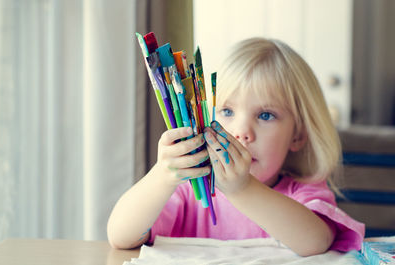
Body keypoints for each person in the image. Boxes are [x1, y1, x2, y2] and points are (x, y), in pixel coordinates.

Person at [107, 38, 365, 256]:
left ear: (297, 136)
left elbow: (316, 243)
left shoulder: (303, 191)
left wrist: (242, 189)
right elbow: (120, 237)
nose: (241, 132)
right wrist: (162, 177)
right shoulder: (190, 190)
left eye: (265, 115)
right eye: (227, 111)